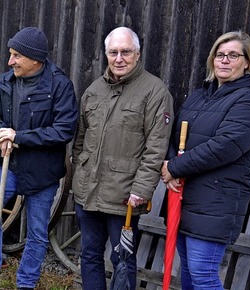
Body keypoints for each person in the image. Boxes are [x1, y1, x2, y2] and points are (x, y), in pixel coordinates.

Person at [0, 27, 77, 289]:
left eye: (16, 56)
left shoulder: (59, 85)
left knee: (37, 231)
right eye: (11, 54)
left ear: (35, 59)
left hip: (43, 170)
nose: (10, 61)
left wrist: (19, 137)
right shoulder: (7, 81)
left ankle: (25, 283)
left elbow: (64, 130)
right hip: (10, 164)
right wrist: (0, 133)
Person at [161, 31, 250, 289]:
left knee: (203, 275)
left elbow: (226, 146)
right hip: (186, 196)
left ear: (247, 62)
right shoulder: (200, 96)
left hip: (216, 202)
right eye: (220, 55)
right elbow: (175, 135)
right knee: (187, 271)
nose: (224, 60)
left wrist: (174, 168)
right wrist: (168, 165)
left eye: (233, 55)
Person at [72, 26, 174, 290]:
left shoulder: (154, 91)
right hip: (88, 194)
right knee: (90, 256)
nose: (119, 58)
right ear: (106, 54)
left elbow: (156, 146)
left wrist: (142, 189)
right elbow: (80, 141)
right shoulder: (94, 90)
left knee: (122, 259)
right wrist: (78, 178)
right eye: (113, 52)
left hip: (124, 197)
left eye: (125, 52)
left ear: (137, 54)